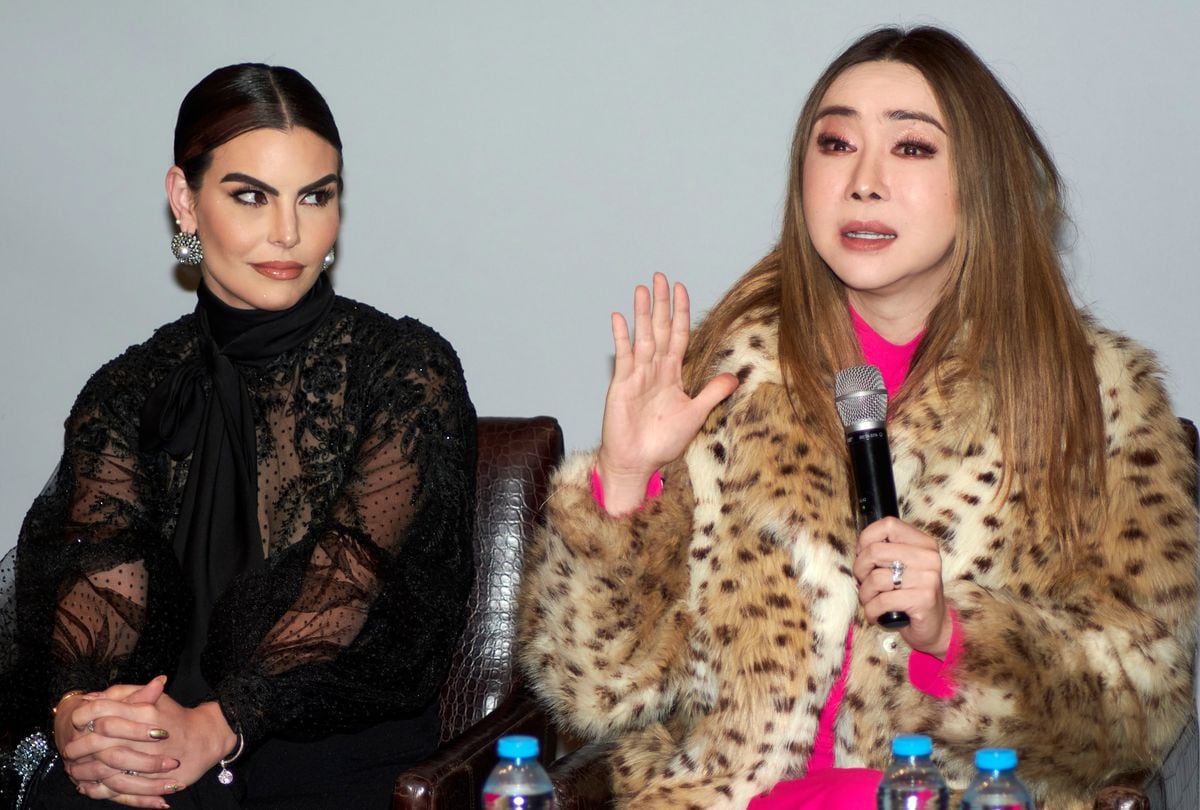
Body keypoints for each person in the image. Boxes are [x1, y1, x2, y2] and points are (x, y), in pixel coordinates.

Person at [517, 25, 1197, 810]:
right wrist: (626, 488)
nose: (863, 181)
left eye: (911, 149)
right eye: (835, 144)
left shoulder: (1097, 398)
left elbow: (1141, 708)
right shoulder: (728, 379)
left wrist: (954, 636)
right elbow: (596, 694)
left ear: (983, 183)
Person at [0, 64, 476, 809]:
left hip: (325, 754)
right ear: (185, 202)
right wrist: (80, 717)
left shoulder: (404, 372)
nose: (288, 232)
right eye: (250, 195)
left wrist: (218, 727)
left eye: (315, 196)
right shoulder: (124, 393)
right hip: (152, 753)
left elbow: (346, 589)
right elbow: (96, 603)